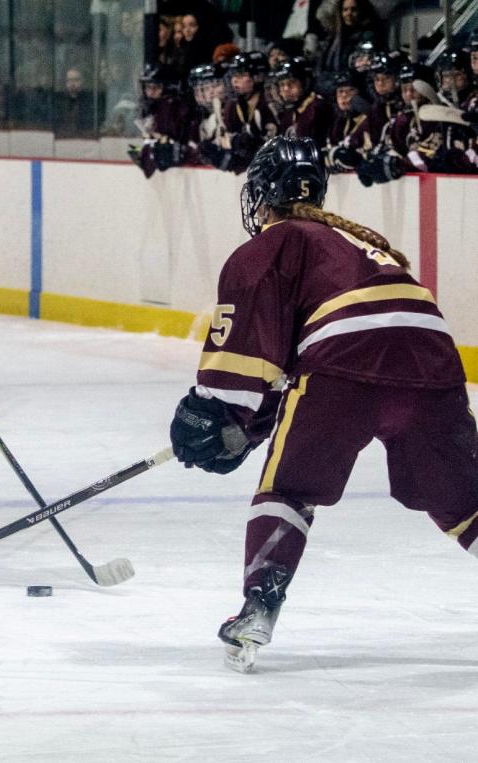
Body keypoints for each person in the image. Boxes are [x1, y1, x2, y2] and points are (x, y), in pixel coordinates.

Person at [168, 136, 473, 673]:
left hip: (343, 362)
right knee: (463, 498)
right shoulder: (350, 241)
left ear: (261, 192)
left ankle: (260, 607)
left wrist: (216, 412)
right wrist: (253, 419)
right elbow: (290, 361)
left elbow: (250, 357)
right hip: (433, 358)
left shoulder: (270, 245)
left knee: (289, 488)